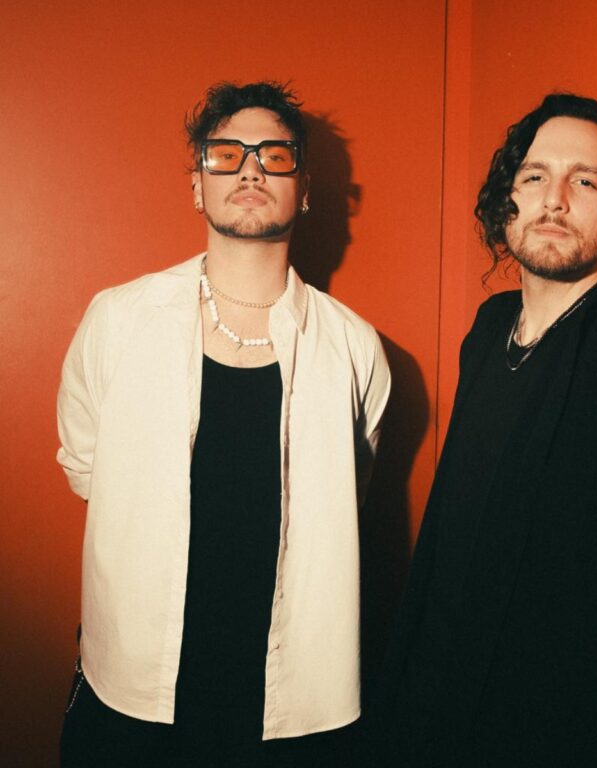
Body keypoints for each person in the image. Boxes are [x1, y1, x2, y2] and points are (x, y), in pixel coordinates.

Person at [372, 94, 597, 767]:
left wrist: (581, 731)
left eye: (585, 181)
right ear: (510, 199)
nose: (554, 200)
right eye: (535, 176)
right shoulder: (490, 333)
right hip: (429, 718)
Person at [57, 81, 390, 767]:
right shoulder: (118, 320)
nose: (250, 169)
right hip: (133, 685)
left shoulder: (354, 347)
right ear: (197, 184)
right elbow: (87, 469)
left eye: (275, 155)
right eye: (226, 153)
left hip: (291, 703)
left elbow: (347, 494)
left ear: (305, 189)